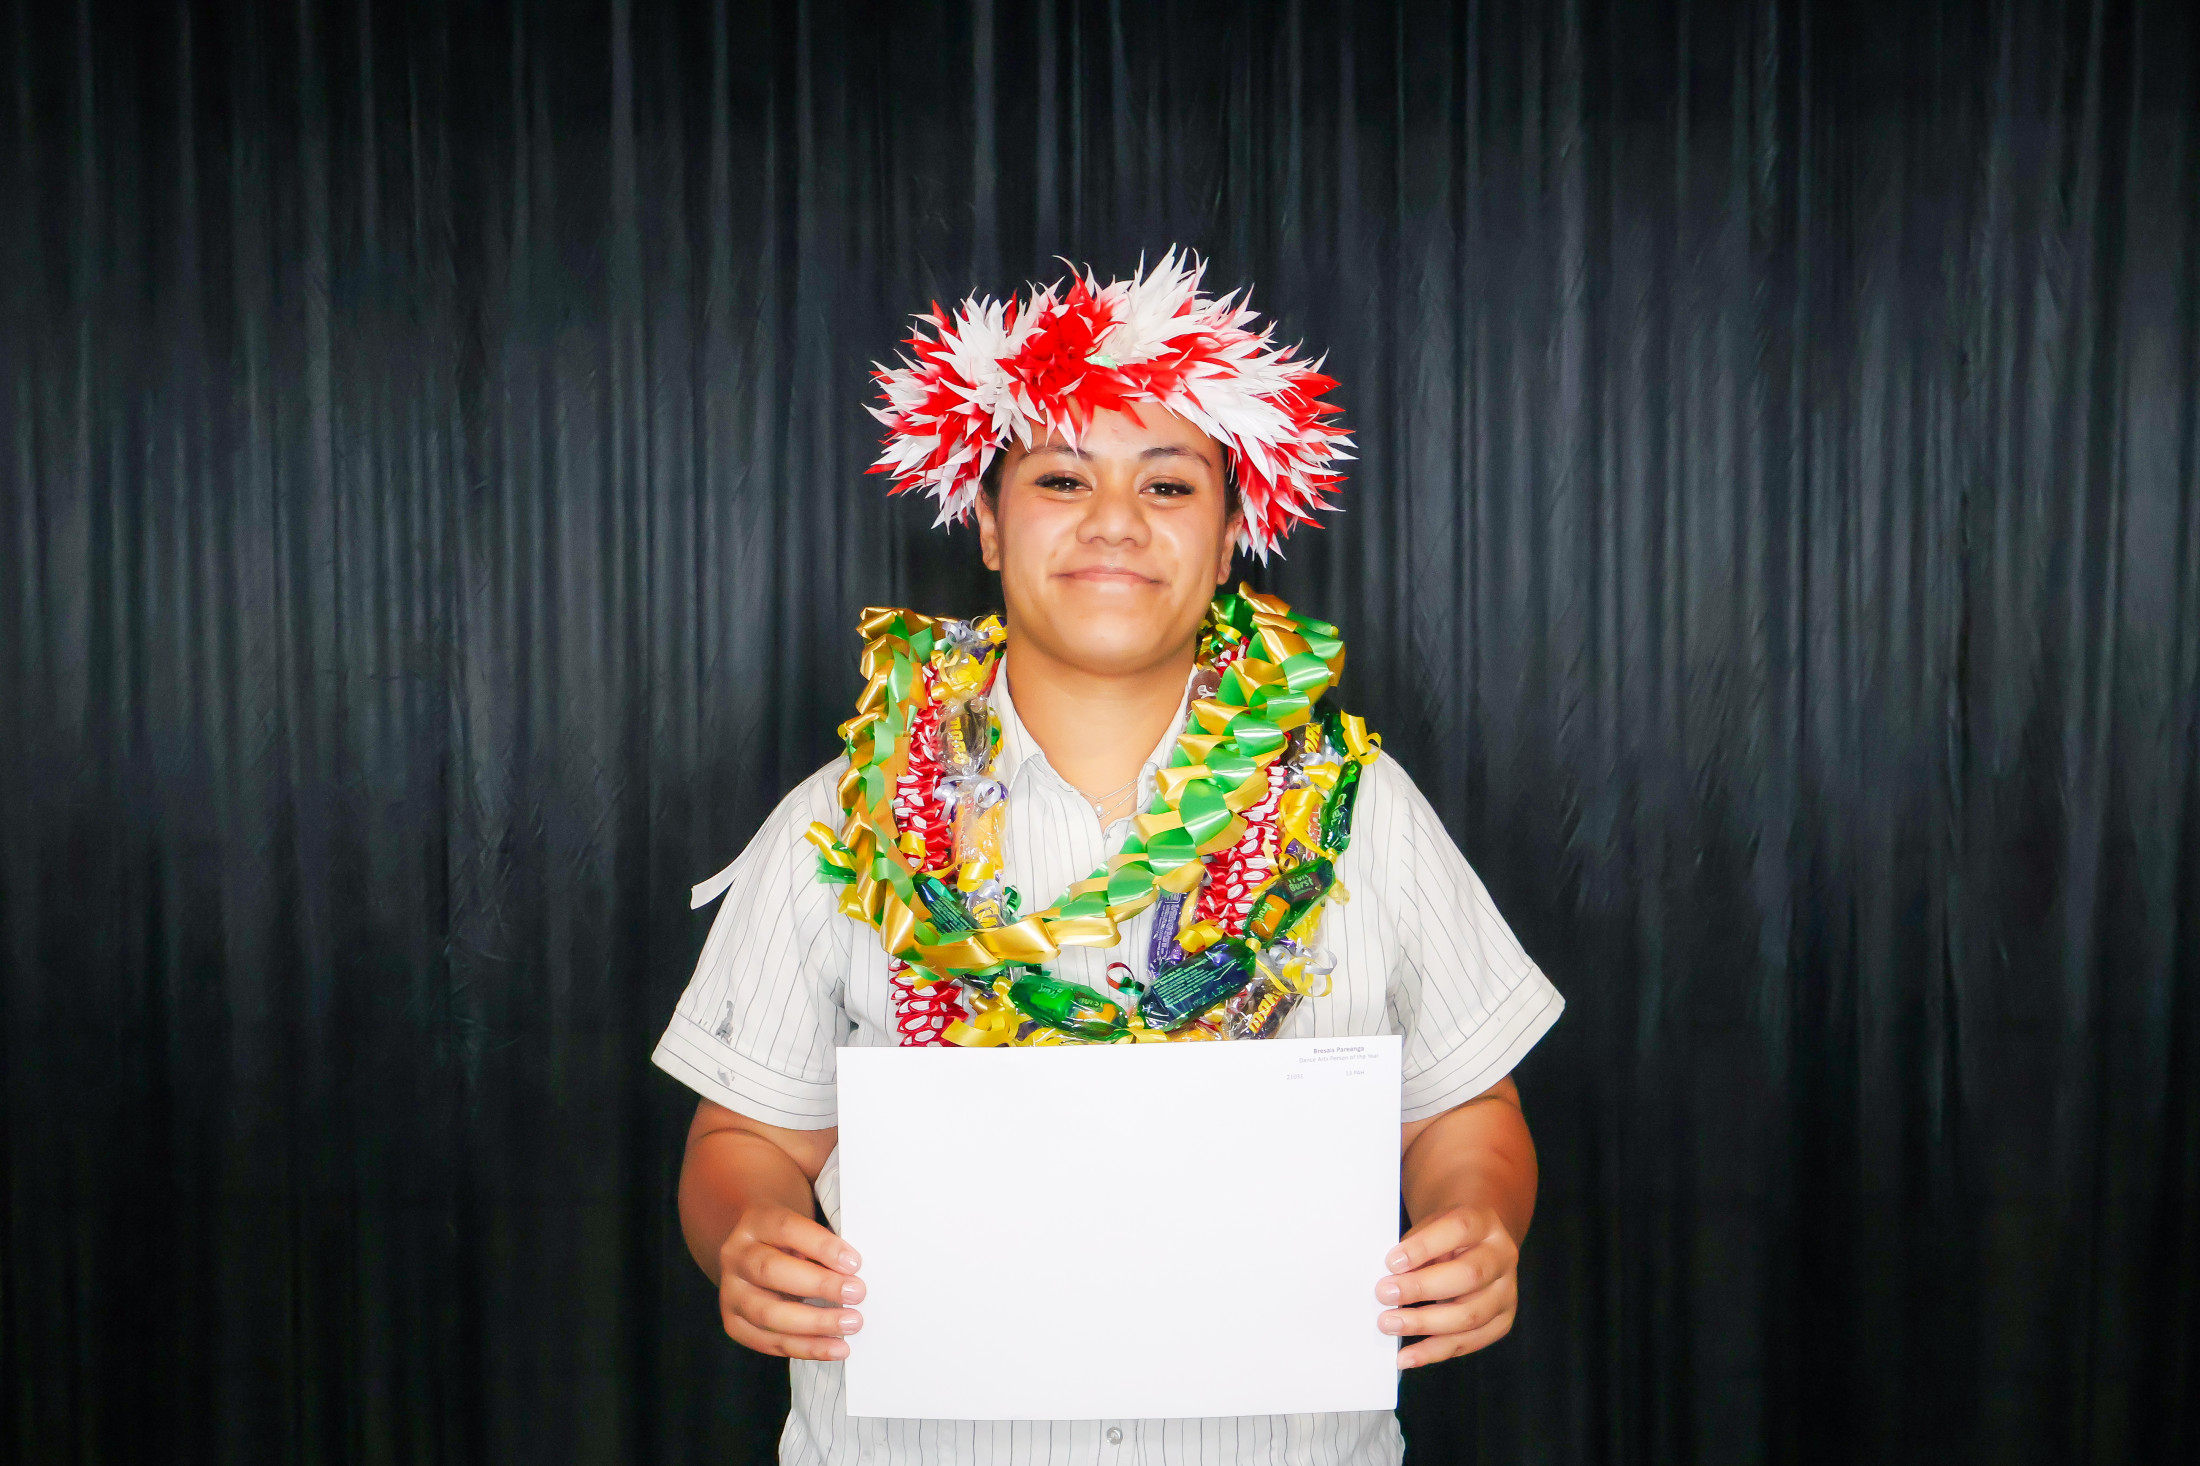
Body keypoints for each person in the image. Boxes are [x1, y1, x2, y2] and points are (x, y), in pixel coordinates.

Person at [652, 251, 1564, 1465]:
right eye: (1062, 476)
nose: (1116, 520)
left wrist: (1479, 1213)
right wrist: (748, 1230)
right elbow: (744, 1141)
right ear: (986, 524)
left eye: (1170, 483)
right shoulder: (848, 820)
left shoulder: (1362, 812)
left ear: (1232, 536)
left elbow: (1467, 1106)